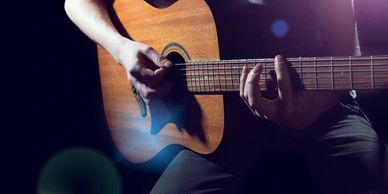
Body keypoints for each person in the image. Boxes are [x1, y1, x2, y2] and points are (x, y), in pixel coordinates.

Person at [64, 0, 388, 193]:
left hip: (321, 108)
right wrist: (122, 49)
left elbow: (346, 54)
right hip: (220, 129)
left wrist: (315, 106)